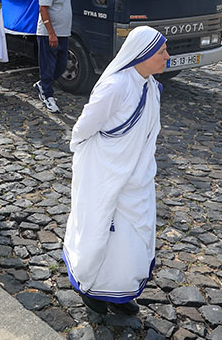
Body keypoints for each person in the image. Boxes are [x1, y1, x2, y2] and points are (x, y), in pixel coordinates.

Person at [62, 26, 169, 317]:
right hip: (105, 172)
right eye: (161, 52)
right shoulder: (116, 86)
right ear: (142, 54)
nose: (167, 57)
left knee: (129, 236)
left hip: (137, 176)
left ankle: (119, 291)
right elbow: (84, 127)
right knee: (100, 229)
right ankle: (92, 289)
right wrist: (96, 163)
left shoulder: (149, 87)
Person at [34, 0, 94, 113]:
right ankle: (47, 95)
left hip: (63, 33)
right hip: (49, 34)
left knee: (61, 67)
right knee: (48, 66)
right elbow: (43, 9)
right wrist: (51, 34)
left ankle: (42, 84)